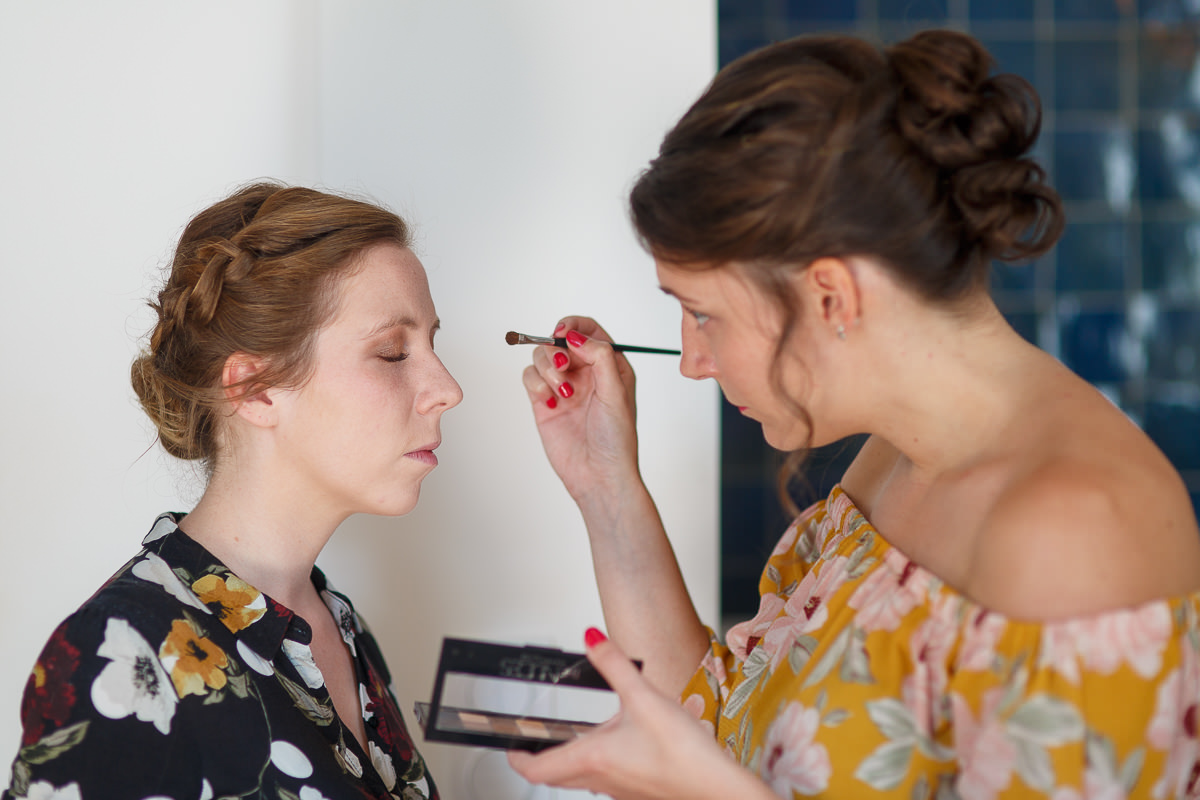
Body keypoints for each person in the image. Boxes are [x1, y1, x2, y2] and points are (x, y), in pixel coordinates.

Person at [509, 29, 1200, 799]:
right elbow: (722, 732)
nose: (695, 359)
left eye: (703, 315)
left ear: (831, 295)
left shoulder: (1077, 536)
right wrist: (607, 486)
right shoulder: (892, 457)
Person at [3, 182, 462, 800]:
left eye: (433, 343)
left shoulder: (338, 627)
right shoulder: (119, 654)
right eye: (391, 352)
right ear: (256, 389)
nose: (447, 387)